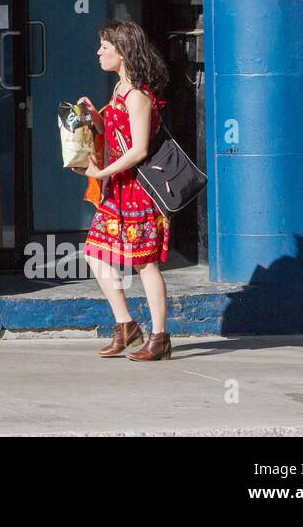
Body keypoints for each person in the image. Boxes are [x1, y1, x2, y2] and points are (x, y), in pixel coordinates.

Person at [74, 19, 172, 362]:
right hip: (118, 189)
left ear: (123, 51)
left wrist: (101, 172)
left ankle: (160, 337)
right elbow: (118, 135)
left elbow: (139, 150)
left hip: (140, 189)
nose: (99, 52)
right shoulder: (119, 90)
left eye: (105, 46)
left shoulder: (138, 96)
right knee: (95, 252)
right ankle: (126, 325)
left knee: (144, 263)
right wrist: (95, 119)